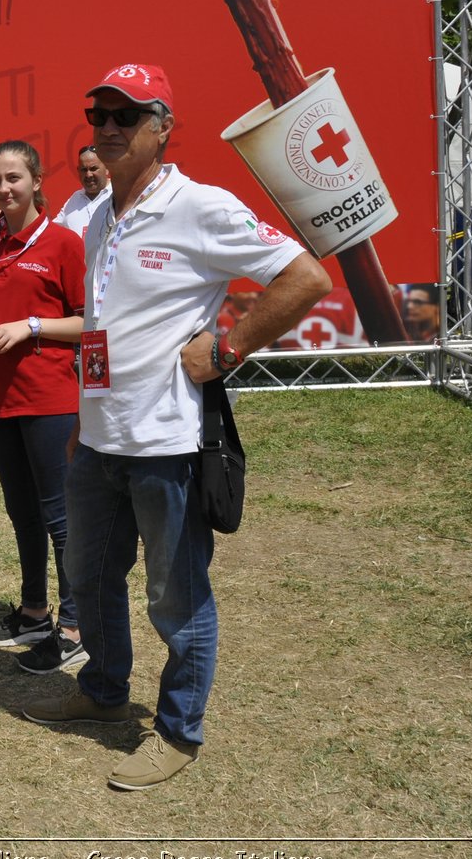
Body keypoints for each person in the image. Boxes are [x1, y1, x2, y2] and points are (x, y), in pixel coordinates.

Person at [22, 62, 330, 791]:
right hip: (98, 439)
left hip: (166, 446)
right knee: (90, 577)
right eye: (98, 115)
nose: (106, 129)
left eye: (125, 116)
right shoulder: (99, 216)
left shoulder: (199, 206)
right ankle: (102, 691)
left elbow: (305, 276)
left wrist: (228, 346)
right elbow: (103, 327)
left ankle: (178, 731)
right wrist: (83, 417)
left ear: (163, 128)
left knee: (175, 594)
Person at [0, 141, 89, 676]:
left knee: (61, 516)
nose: (4, 189)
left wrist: (31, 325)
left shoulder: (63, 244)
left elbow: (90, 324)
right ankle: (34, 612)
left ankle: (75, 629)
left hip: (50, 399)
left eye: (13, 178)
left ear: (36, 180)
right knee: (22, 513)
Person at [54, 145, 112, 238]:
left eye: (93, 169)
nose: (88, 175)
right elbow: (53, 231)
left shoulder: (118, 195)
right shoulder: (74, 199)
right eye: (84, 170)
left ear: (107, 168)